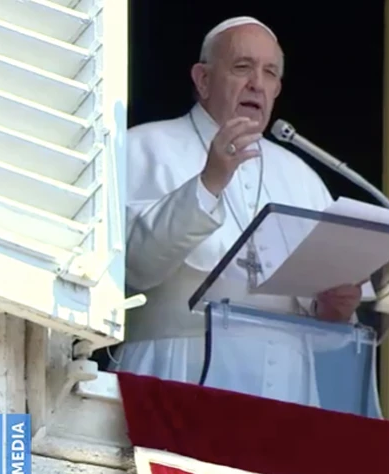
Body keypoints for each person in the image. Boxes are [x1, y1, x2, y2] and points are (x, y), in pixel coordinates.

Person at [112, 16, 368, 408]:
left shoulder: (302, 177)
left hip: (285, 390)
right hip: (175, 371)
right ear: (202, 80)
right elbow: (136, 266)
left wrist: (332, 312)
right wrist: (210, 181)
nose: (256, 84)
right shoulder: (144, 148)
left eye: (269, 73)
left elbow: (326, 330)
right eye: (242, 67)